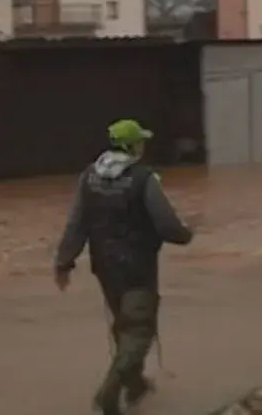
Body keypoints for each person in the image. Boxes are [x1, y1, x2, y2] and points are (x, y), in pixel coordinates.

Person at [54, 119, 194, 415]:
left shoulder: (89, 177)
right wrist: (186, 234)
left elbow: (76, 224)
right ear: (132, 146)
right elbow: (167, 225)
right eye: (140, 141)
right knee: (140, 330)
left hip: (105, 267)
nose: (143, 146)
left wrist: (64, 262)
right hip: (138, 268)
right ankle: (110, 391)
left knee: (124, 324)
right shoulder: (144, 179)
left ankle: (135, 385)